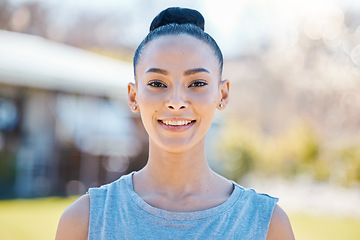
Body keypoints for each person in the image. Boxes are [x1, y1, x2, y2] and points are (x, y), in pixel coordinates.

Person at [55, 7, 295, 240]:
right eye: (158, 84)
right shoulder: (84, 221)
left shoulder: (267, 225)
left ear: (222, 94)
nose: (177, 102)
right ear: (133, 96)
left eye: (197, 83)